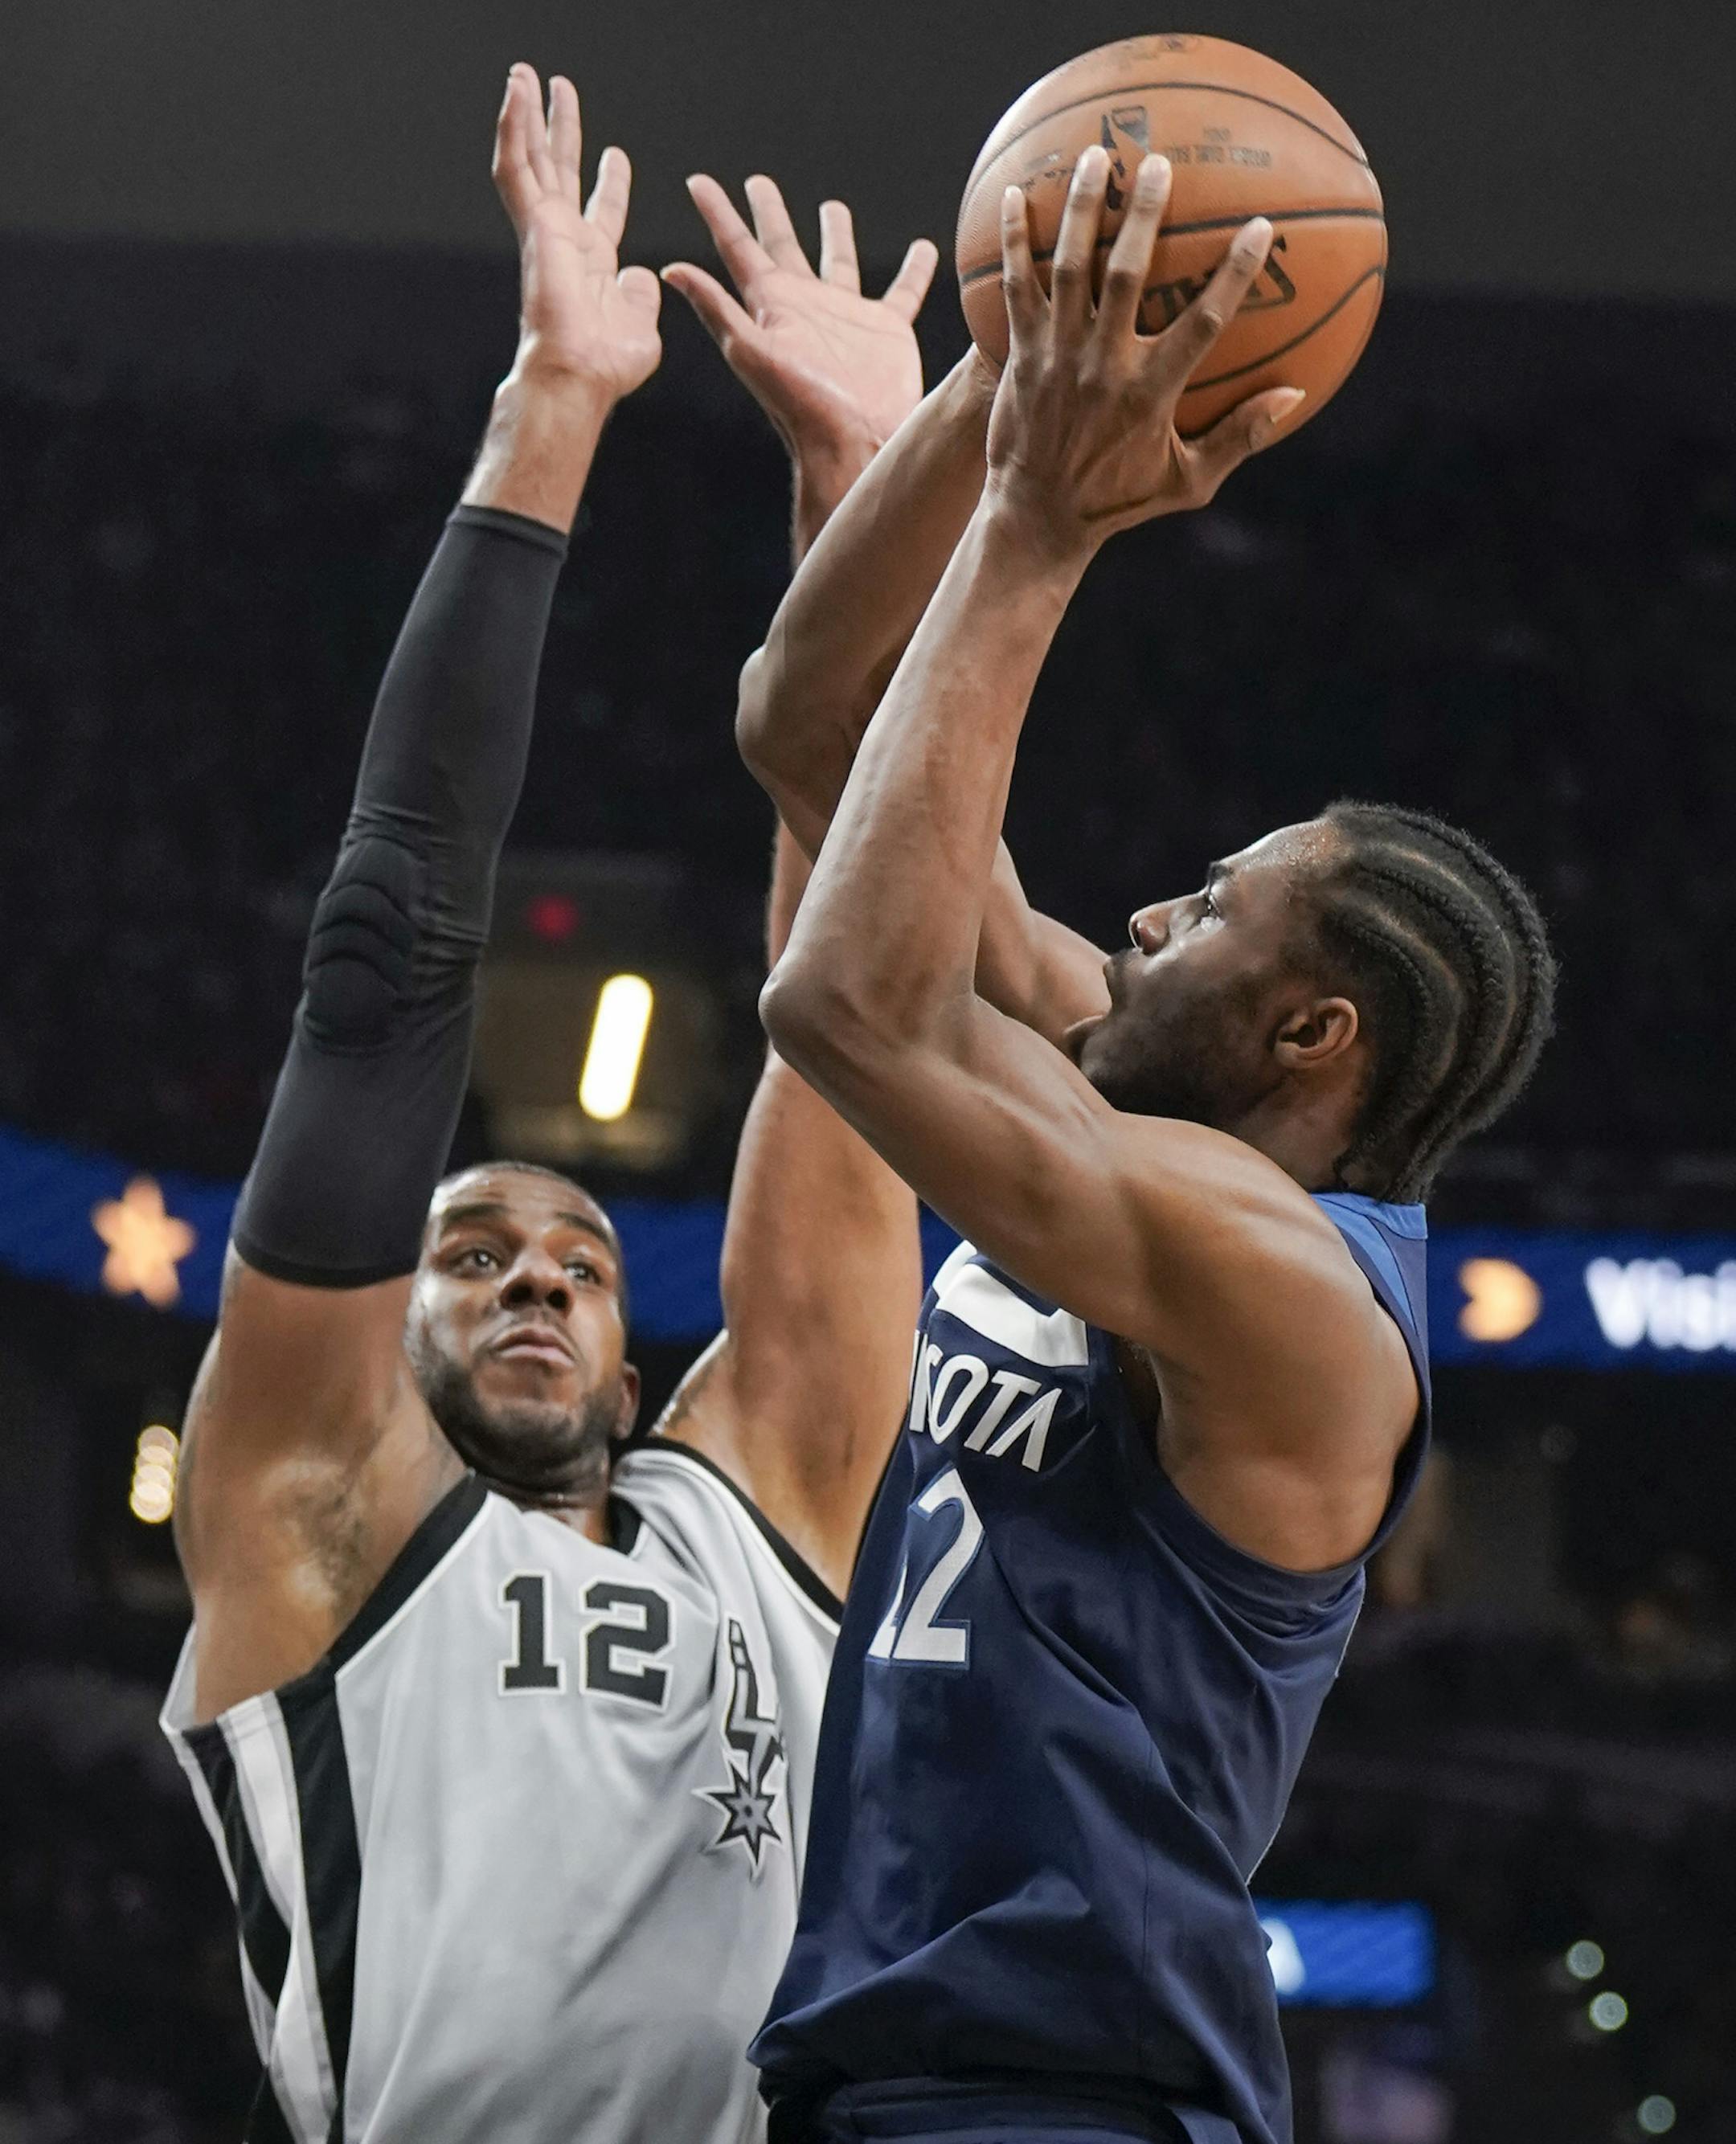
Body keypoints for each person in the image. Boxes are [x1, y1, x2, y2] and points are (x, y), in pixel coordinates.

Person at [737, 150, 1558, 2144]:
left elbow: (843, 1001)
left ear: (1309, 1033)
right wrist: (981, 395)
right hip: (890, 2068)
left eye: (1211, 904)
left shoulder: (1290, 1294)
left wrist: (1037, 525)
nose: (1148, 920)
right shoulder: (1114, 1104)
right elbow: (801, 723)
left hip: (1071, 2095)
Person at [161, 66, 936, 2144]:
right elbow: (387, 956)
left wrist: (865, 503)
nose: (530, 1277)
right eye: (475, 1251)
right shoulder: (324, 1510)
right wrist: (558, 412)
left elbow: (860, 1011)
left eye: (579, 1259)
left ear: (631, 1333)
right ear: (388, 1334)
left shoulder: (759, 1507)